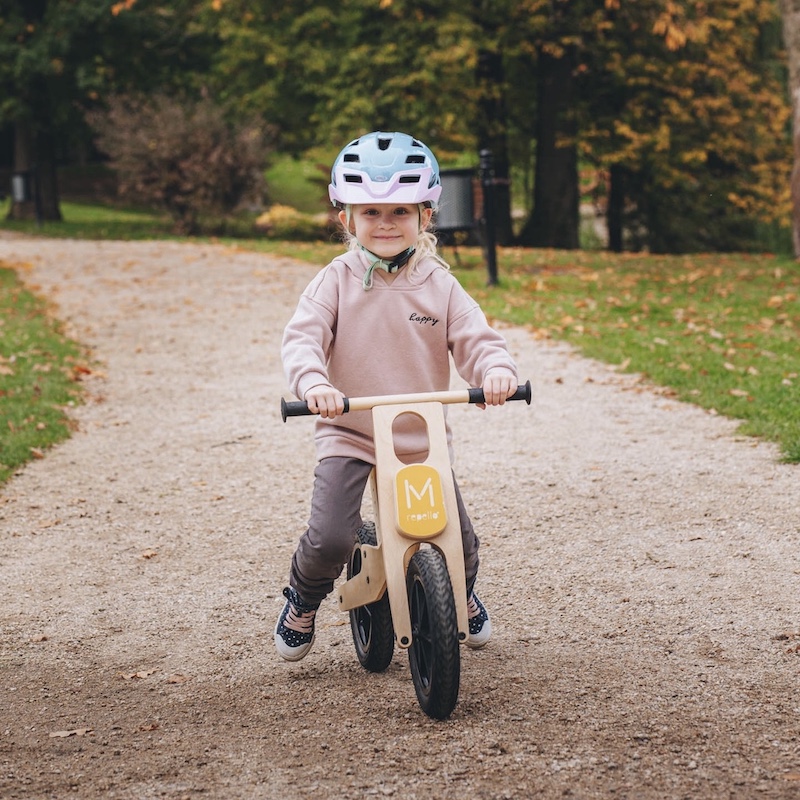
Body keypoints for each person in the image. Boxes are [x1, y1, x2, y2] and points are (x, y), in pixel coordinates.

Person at [276, 131, 518, 661]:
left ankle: (459, 590)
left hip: (417, 435)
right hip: (350, 429)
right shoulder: (334, 282)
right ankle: (304, 598)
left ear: (425, 216)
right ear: (348, 219)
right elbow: (303, 340)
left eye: (400, 212)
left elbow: (477, 339)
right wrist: (314, 385)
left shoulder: (440, 284)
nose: (385, 225)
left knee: (460, 539)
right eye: (370, 213)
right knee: (330, 538)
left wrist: (495, 372)